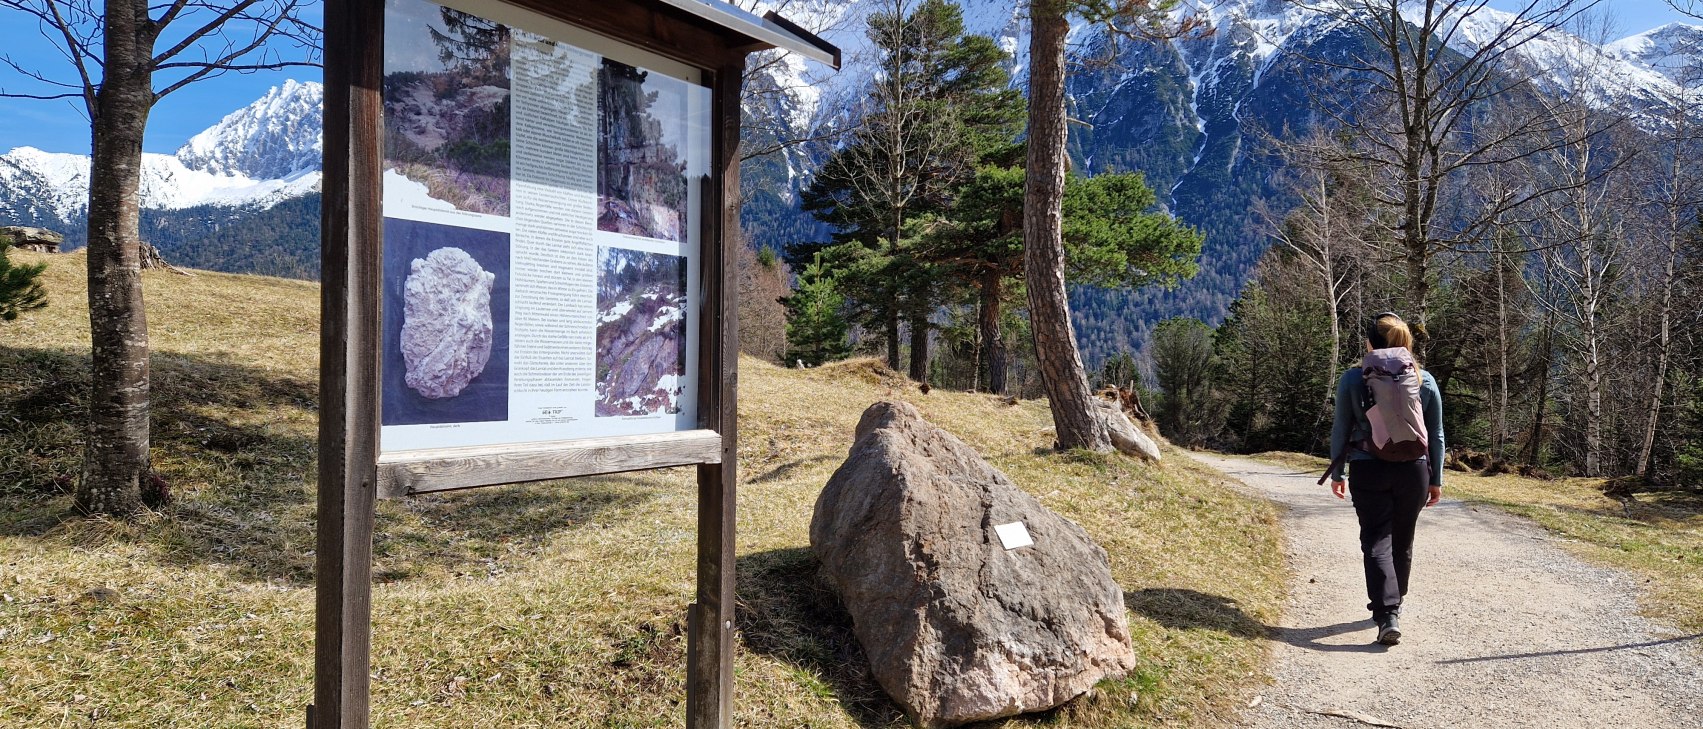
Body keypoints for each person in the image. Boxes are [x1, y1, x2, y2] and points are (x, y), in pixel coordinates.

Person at [1326, 312, 1444, 646]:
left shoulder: (1353, 379)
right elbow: (1435, 434)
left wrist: (1338, 471)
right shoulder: (1425, 381)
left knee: (1376, 539)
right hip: (1415, 471)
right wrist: (1437, 478)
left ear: (1370, 343)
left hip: (1368, 466)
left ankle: (1386, 612)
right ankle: (1395, 601)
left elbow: (1341, 428)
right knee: (1402, 540)